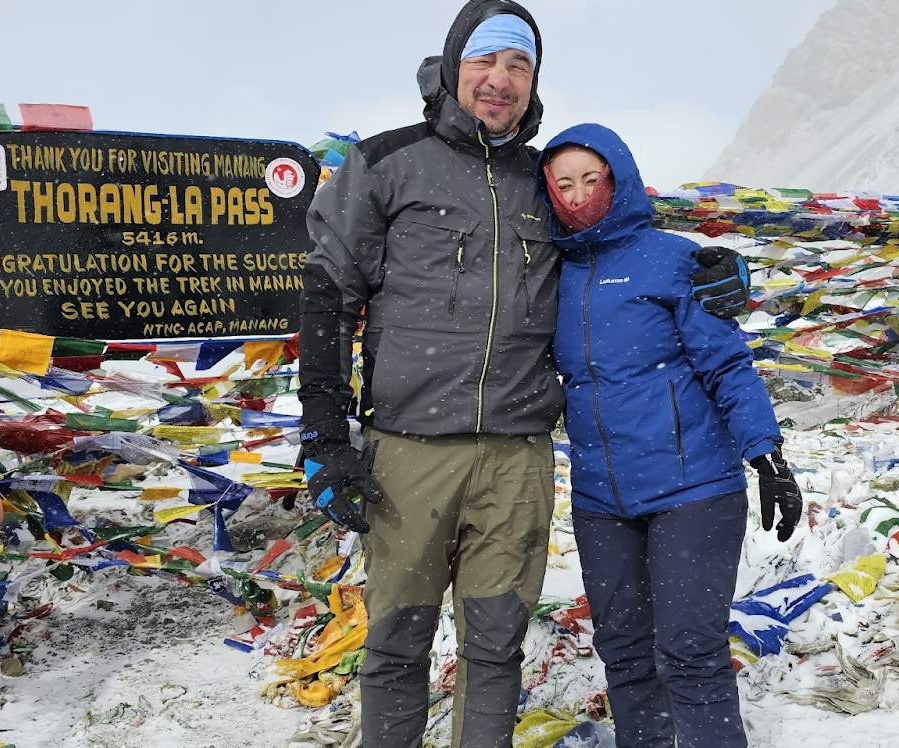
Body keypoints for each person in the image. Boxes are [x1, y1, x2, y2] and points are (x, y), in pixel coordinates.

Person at [293, 2, 751, 745]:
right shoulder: (387, 163)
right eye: (484, 61)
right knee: (396, 644)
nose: (500, 80)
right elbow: (327, 293)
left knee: (496, 646)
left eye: (519, 65)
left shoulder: (545, 183)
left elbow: (622, 238)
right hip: (409, 451)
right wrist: (322, 429)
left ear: (534, 81)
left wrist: (724, 268)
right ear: (452, 67)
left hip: (517, 459)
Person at [541, 123, 804, 748]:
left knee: (690, 653)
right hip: (603, 499)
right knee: (626, 655)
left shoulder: (673, 259)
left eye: (591, 180)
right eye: (563, 185)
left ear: (618, 179)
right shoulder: (549, 275)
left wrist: (766, 455)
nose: (578, 197)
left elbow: (726, 363)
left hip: (693, 488)